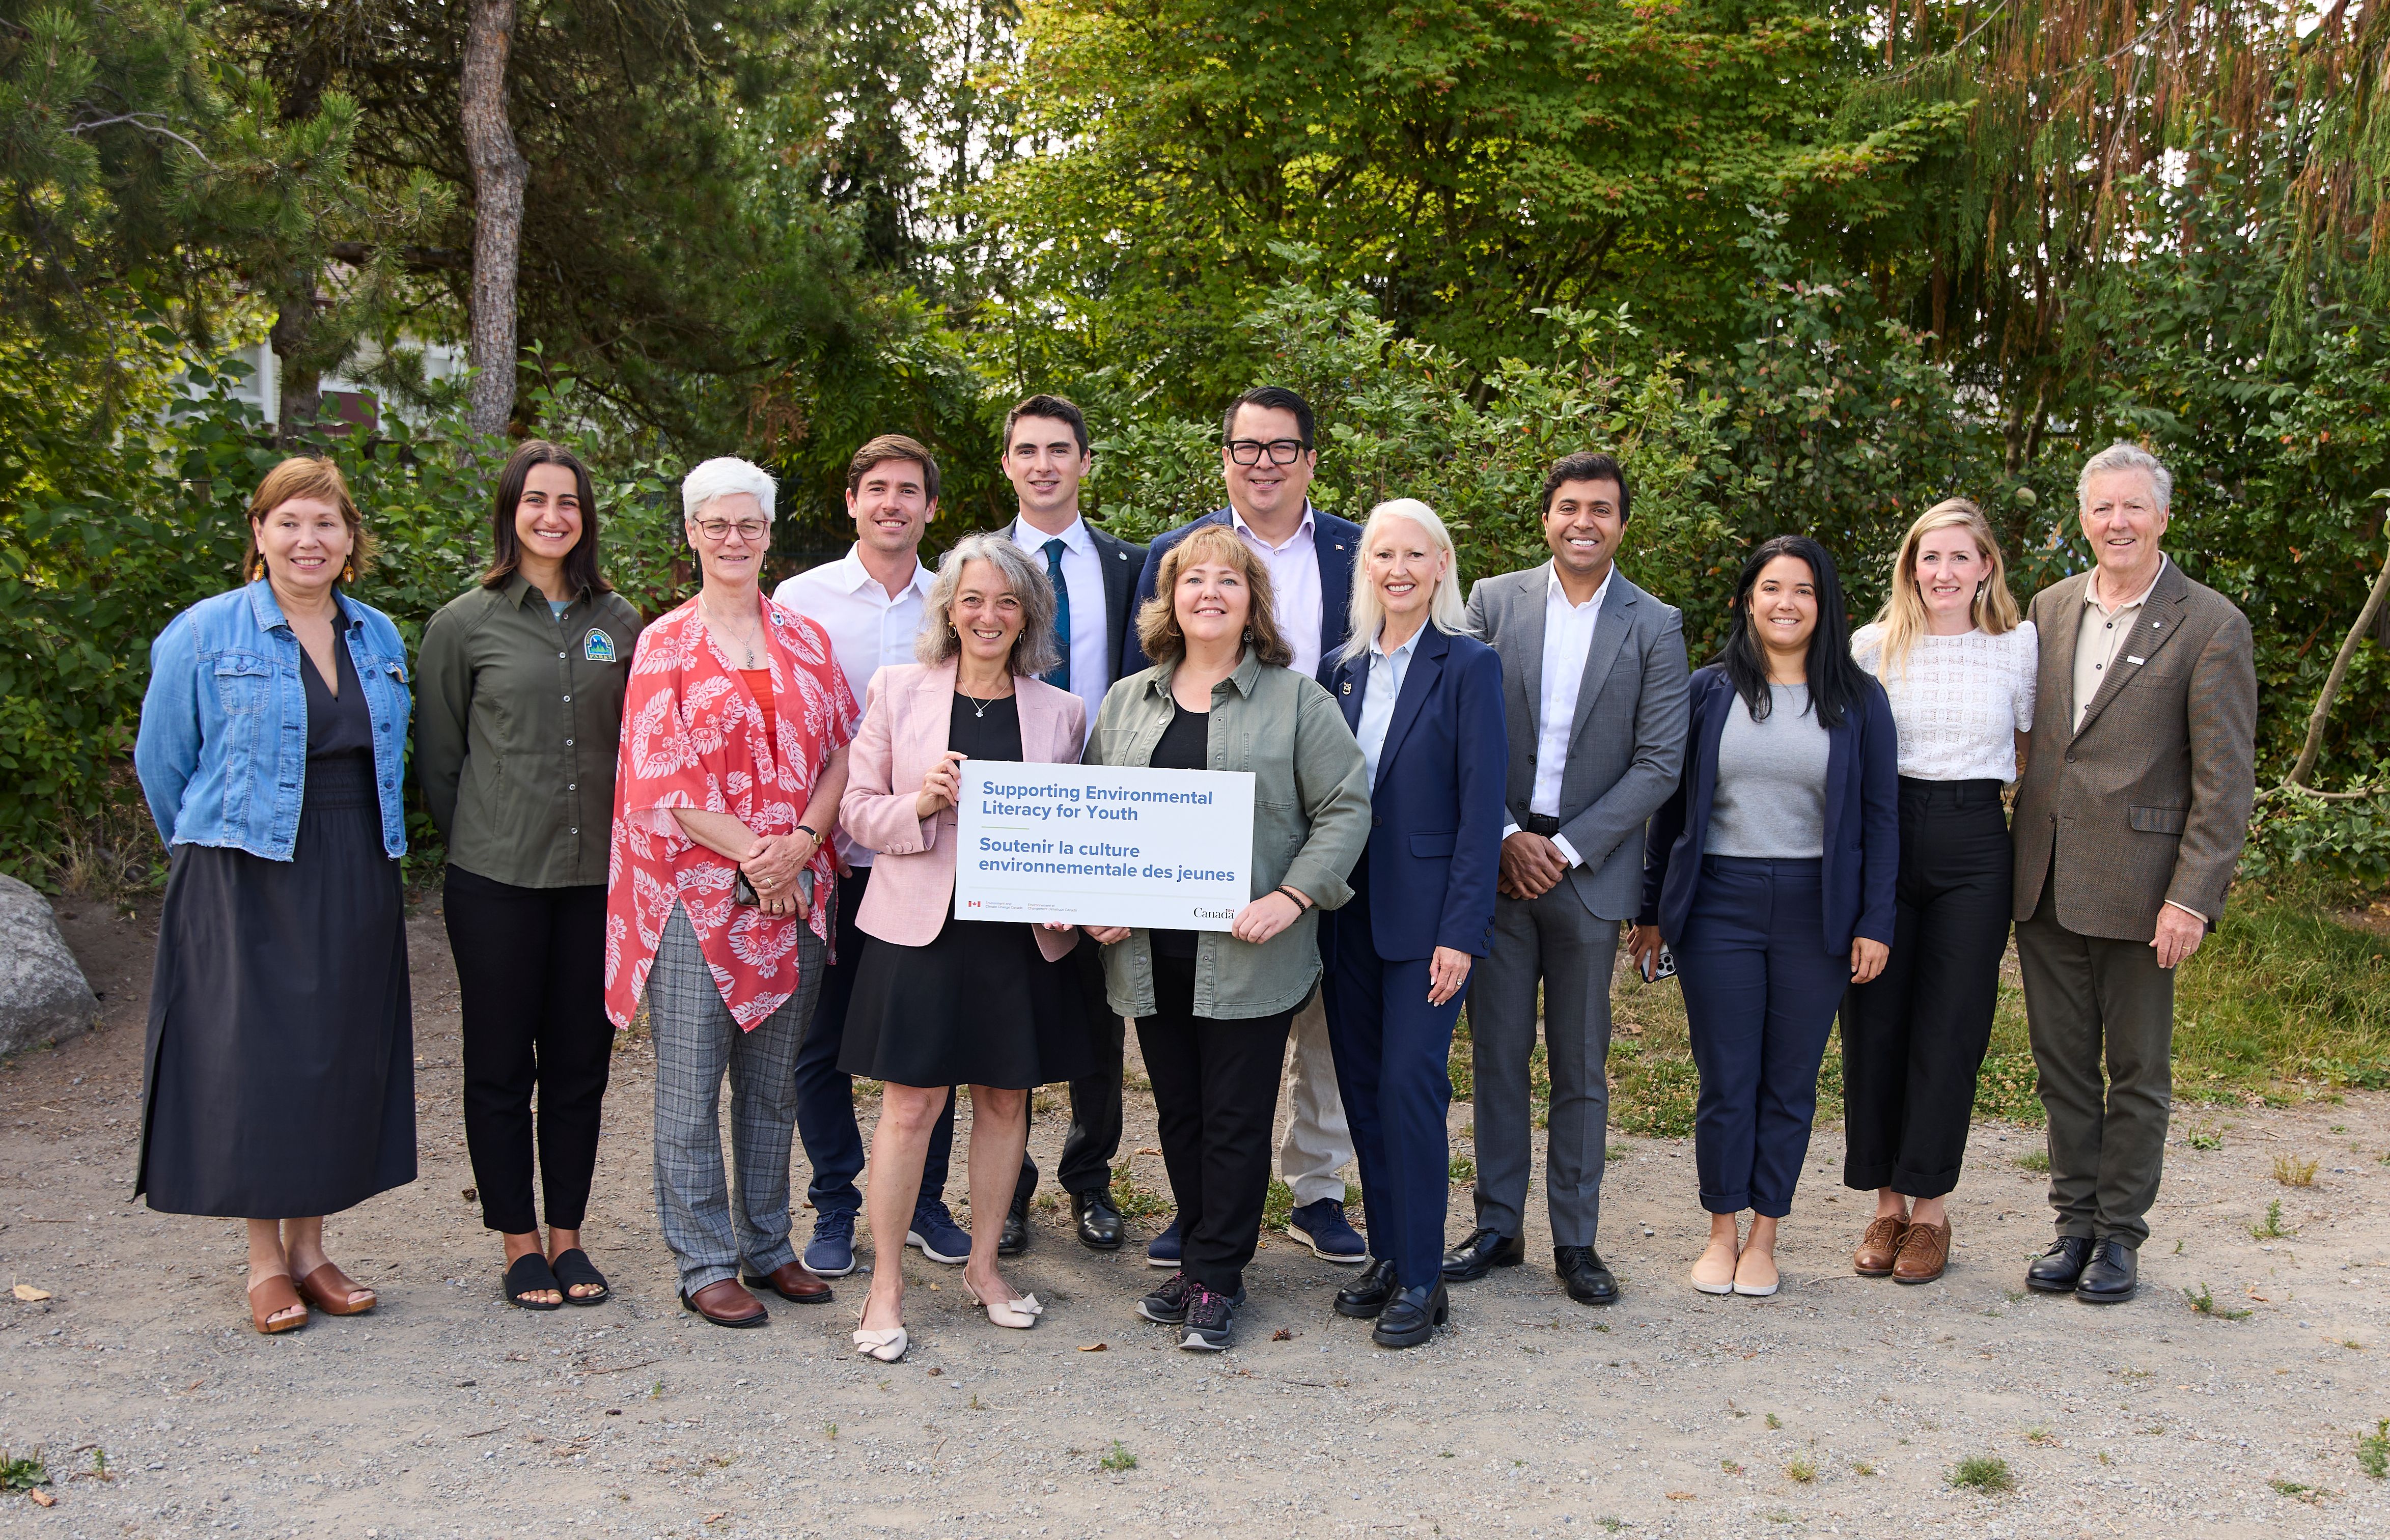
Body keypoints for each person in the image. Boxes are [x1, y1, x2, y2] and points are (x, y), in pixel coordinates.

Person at [133, 456, 416, 1334]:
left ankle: (312, 1249)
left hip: (353, 858)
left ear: (349, 542)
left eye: (327, 524)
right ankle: (263, 1261)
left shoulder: (378, 636)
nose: (309, 540)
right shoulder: (204, 632)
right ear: (259, 535)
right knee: (254, 1060)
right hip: (243, 867)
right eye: (290, 522)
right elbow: (163, 764)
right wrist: (211, 849)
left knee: (334, 1051)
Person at [1086, 524, 1372, 1351]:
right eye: (1192, 579)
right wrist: (1100, 899)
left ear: (1253, 603)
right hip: (1148, 950)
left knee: (1235, 1116)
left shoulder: (1297, 700)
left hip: (1250, 951)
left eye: (1229, 580)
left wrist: (1294, 894)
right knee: (1179, 1111)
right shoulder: (1125, 702)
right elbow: (1103, 817)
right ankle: (1201, 1251)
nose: (1209, 591)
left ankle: (1217, 1274)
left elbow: (1345, 808)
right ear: (1169, 599)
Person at [605, 457, 856, 1329]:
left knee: (776, 1082)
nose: (733, 539)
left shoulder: (807, 638)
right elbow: (661, 782)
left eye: (749, 524)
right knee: (688, 1085)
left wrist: (801, 845)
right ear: (691, 533)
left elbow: (841, 754)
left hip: (795, 889)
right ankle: (705, 1258)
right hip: (697, 896)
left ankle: (768, 1241)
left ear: (768, 533)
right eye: (716, 524)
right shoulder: (664, 644)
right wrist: (761, 858)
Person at [1123, 385, 1367, 1266]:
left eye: (1282, 446)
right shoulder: (1138, 677)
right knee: (1191, 1095)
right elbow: (1120, 787)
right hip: (1169, 909)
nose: (1263, 460)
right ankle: (1202, 1230)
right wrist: (1103, 893)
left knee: (1311, 1048)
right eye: (1246, 446)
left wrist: (1296, 886)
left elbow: (1345, 790)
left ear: (1308, 456)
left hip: (1296, 848)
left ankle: (1314, 1193)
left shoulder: (1354, 550)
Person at [837, 535, 1094, 1362]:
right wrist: (919, 803)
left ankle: (984, 1267)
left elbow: (1075, 836)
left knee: (1005, 1102)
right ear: (948, 607)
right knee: (909, 1106)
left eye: (1007, 602)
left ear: (1029, 618)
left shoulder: (1061, 711)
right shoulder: (897, 690)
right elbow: (857, 814)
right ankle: (885, 1283)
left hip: (1018, 938)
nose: (988, 615)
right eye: (973, 599)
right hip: (920, 929)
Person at [2012, 444, 2257, 1304]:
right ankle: (2072, 1224)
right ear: (2082, 519)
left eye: (2132, 508)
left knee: (2137, 1071)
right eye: (2101, 508)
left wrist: (2192, 894)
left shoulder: (2209, 622)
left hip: (2145, 887)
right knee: (2061, 1065)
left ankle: (2120, 1237)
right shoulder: (2045, 609)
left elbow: (2225, 782)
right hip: (2042, 877)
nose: (2116, 523)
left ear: (2161, 516)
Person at [1448, 453, 1690, 1306]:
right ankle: (1496, 1224)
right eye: (1566, 507)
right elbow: (1460, 732)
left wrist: (1569, 846)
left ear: (1622, 522)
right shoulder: (1490, 601)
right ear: (1545, 518)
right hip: (1501, 865)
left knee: (1581, 1065)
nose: (1581, 520)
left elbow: (1661, 763)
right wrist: (1509, 835)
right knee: (1499, 1056)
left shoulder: (1655, 623)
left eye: (1600, 508)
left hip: (1590, 875)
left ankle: (1577, 1240)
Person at [1631, 535, 1897, 1298]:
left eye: (1803, 590)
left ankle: (1764, 1237)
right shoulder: (1707, 691)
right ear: (1748, 599)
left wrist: (1874, 920)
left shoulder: (1857, 699)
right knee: (1726, 1077)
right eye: (1771, 587)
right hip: (1718, 903)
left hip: (1818, 910)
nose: (1786, 602)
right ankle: (1720, 1229)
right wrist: (1650, 911)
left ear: (1825, 604)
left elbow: (1881, 820)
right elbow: (1673, 810)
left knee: (1788, 1080)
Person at [415, 441, 645, 1310]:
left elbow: (638, 749)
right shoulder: (462, 623)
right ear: (510, 509)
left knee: (582, 1062)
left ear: (586, 519)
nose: (553, 516)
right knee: (501, 1064)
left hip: (596, 882)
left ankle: (569, 1238)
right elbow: (441, 764)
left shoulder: (620, 622)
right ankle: (517, 1242)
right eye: (536, 500)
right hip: (496, 880)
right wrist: (493, 828)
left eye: (569, 504)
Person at [772, 435, 974, 1276]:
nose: (892, 502)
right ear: (851, 502)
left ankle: (925, 1201)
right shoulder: (799, 598)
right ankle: (835, 1201)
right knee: (818, 1043)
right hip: (832, 861)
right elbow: (786, 733)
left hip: (928, 863)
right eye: (876, 489)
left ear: (931, 508)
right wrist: (813, 838)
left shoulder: (961, 600)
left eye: (909, 491)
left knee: (933, 1044)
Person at [1318, 500, 1505, 1348]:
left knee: (1409, 1084)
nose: (1396, 568)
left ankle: (1426, 1279)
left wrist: (1461, 933)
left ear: (1440, 565)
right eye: (1380, 554)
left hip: (1429, 922)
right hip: (1345, 913)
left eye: (1412, 554)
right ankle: (1390, 1254)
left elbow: (1478, 813)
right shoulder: (1338, 670)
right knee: (1362, 1088)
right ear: (1367, 570)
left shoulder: (1469, 667)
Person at [1840, 499, 2037, 1285]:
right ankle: (1886, 1205)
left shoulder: (2016, 647)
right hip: (1886, 835)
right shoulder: (1868, 646)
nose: (1943, 573)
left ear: (1985, 566)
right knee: (1875, 1020)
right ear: (1909, 567)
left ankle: (1930, 1215)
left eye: (1960, 558)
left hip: (1973, 841)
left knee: (1950, 1028)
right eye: (1929, 558)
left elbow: (2026, 746)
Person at [997, 393, 1149, 1253]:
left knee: (1101, 1007)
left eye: (1061, 449)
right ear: (1009, 464)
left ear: (1085, 463)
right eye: (1028, 450)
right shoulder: (976, 565)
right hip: (1014, 812)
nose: (1045, 463)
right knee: (1010, 1001)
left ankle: (1089, 1179)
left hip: (1113, 810)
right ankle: (1005, 1186)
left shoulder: (1135, 565)